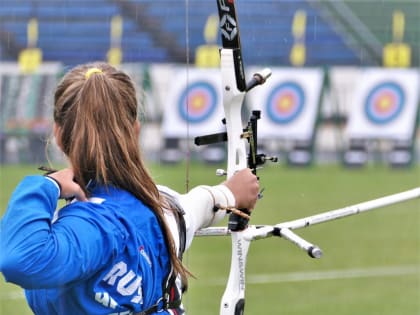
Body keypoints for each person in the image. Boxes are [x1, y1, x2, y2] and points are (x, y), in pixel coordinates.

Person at [0, 62, 260, 315]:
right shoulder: (156, 205)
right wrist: (229, 193)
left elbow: (20, 258)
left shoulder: (91, 225)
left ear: (58, 134)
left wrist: (49, 185)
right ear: (135, 131)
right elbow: (196, 207)